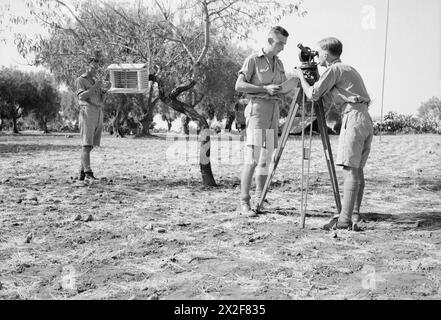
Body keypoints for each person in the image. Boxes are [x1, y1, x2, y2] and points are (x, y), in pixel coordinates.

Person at [293, 37, 373, 231]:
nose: (316, 57)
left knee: (349, 169)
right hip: (364, 117)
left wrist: (300, 76)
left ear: (326, 54)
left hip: (353, 117)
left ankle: (344, 220)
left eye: (318, 53)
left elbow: (313, 94)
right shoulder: (348, 69)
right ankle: (353, 213)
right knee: (357, 169)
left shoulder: (334, 69)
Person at [235, 26, 290, 217]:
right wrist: (265, 89)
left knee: (266, 158)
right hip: (257, 110)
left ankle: (260, 198)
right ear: (269, 40)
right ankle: (244, 202)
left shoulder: (280, 63)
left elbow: (282, 87)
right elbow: (239, 85)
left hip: (274, 112)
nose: (282, 47)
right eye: (280, 43)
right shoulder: (253, 60)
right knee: (252, 159)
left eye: (284, 43)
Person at [74, 57, 111, 182]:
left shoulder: (96, 81)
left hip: (97, 111)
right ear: (87, 66)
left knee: (90, 144)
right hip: (87, 111)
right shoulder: (81, 80)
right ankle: (88, 172)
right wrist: (96, 86)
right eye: (93, 67)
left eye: (97, 67)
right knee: (86, 144)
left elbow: (101, 100)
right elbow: (82, 96)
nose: (95, 69)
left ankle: (82, 172)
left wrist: (105, 91)